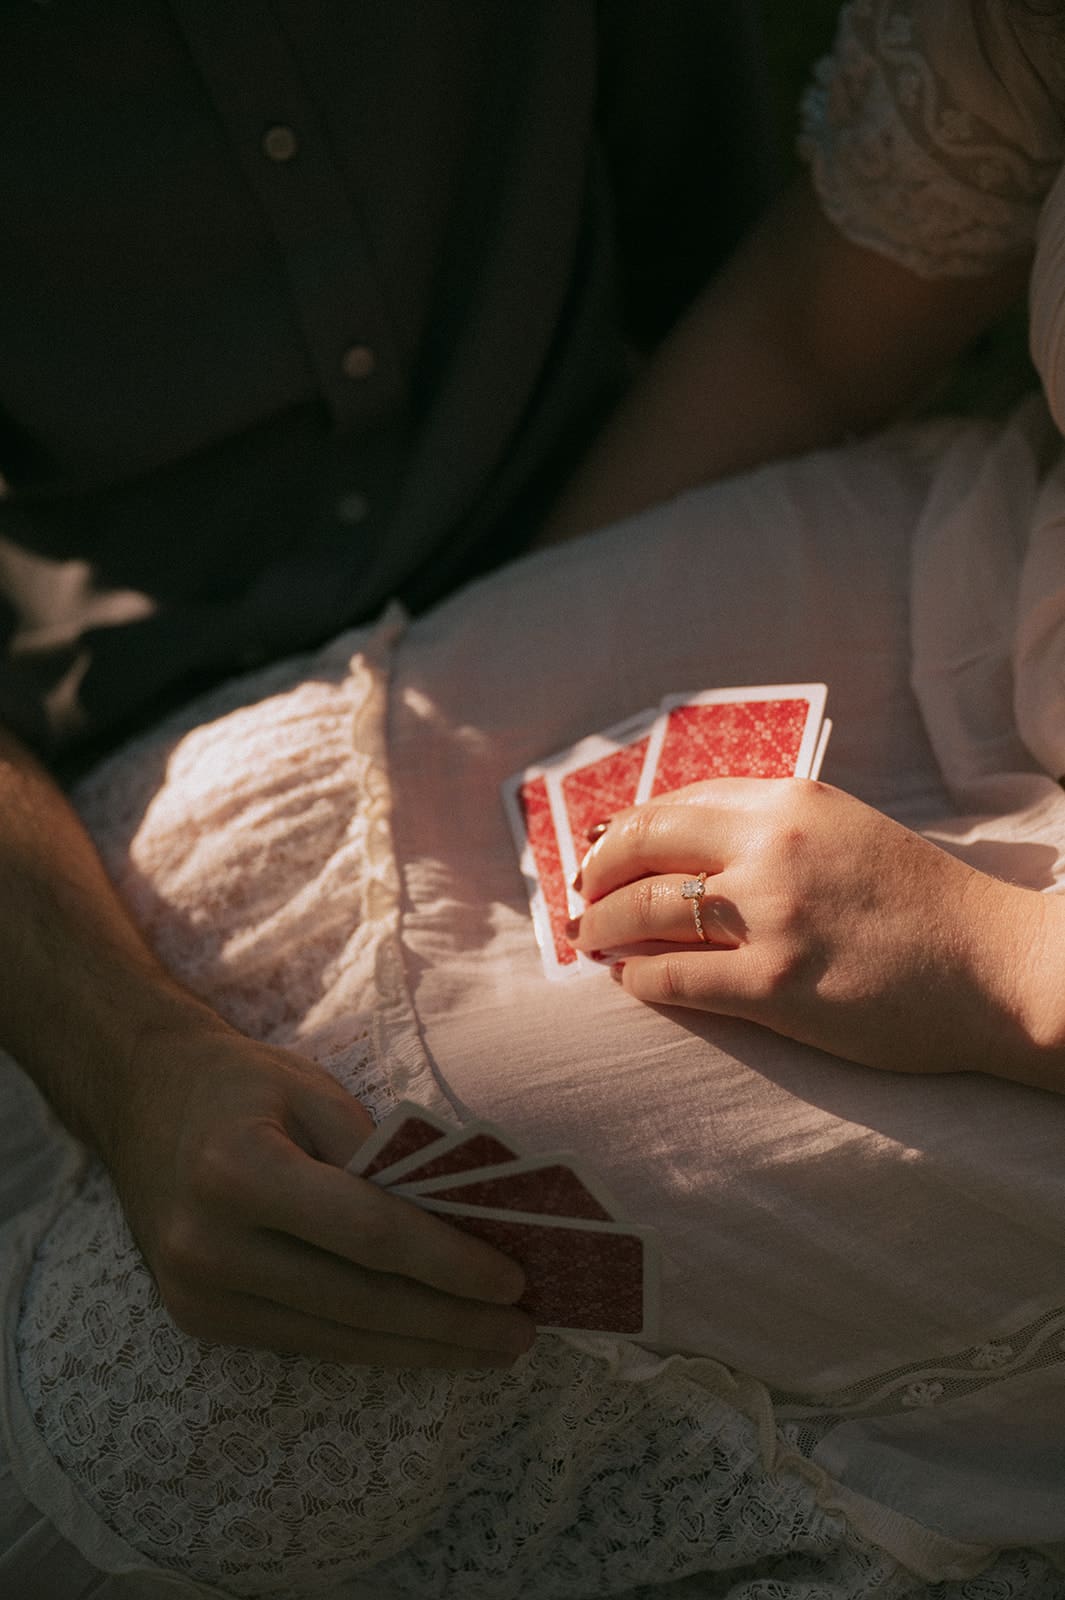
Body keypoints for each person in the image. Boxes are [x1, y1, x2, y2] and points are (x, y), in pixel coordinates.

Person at [3, 0, 1065, 1597]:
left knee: (236, 1365)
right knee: (207, 847)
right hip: (991, 596)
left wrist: (999, 966)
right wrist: (515, 698)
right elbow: (807, 326)